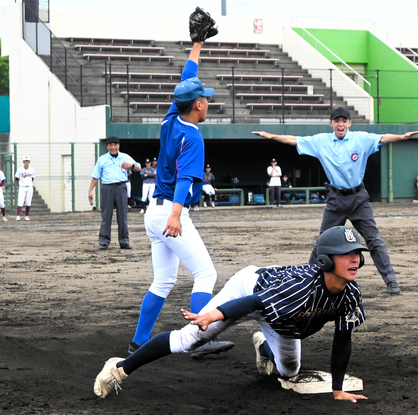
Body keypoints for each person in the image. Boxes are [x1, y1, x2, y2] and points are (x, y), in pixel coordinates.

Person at [93, 226, 368, 404]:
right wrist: (213, 315)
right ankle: (119, 368)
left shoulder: (350, 294)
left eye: (357, 253)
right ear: (326, 260)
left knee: (289, 371)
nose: (355, 259)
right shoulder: (300, 288)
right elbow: (253, 301)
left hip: (281, 317)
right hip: (248, 289)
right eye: (346, 254)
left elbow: (343, 339)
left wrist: (337, 389)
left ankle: (263, 346)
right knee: (188, 339)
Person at [128, 39, 232, 359]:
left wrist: (197, 46)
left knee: (164, 280)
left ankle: (139, 340)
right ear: (197, 105)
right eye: (205, 98)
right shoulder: (194, 136)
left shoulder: (171, 117)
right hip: (170, 213)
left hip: (153, 213)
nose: (208, 101)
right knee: (206, 274)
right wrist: (176, 215)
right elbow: (185, 179)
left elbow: (185, 78)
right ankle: (200, 337)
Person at [252, 107, 418, 294]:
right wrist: (271, 136)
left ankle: (391, 282)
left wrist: (402, 137)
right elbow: (294, 140)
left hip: (358, 199)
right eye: (336, 121)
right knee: (322, 242)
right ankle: (308, 281)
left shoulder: (360, 139)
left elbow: (382, 138)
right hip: (336, 199)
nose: (340, 124)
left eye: (344, 120)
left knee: (374, 240)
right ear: (331, 123)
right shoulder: (320, 141)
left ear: (349, 123)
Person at [89, 137, 140, 249]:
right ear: (107, 146)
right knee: (106, 216)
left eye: (115, 145)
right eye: (110, 145)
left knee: (122, 215)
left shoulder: (125, 157)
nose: (113, 147)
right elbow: (95, 176)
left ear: (118, 146)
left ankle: (124, 241)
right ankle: (104, 242)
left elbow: (138, 167)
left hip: (121, 187)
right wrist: (90, 190)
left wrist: (130, 165)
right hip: (108, 188)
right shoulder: (102, 159)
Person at [15, 155, 36, 221]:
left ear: (29, 162)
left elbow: (32, 178)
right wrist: (19, 184)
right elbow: (17, 178)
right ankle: (18, 216)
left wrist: (29, 183)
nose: (26, 162)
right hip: (22, 187)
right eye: (25, 161)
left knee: (28, 202)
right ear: (23, 162)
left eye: (27, 161)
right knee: (20, 201)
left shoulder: (32, 169)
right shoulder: (20, 169)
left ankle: (26, 216)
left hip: (29, 187)